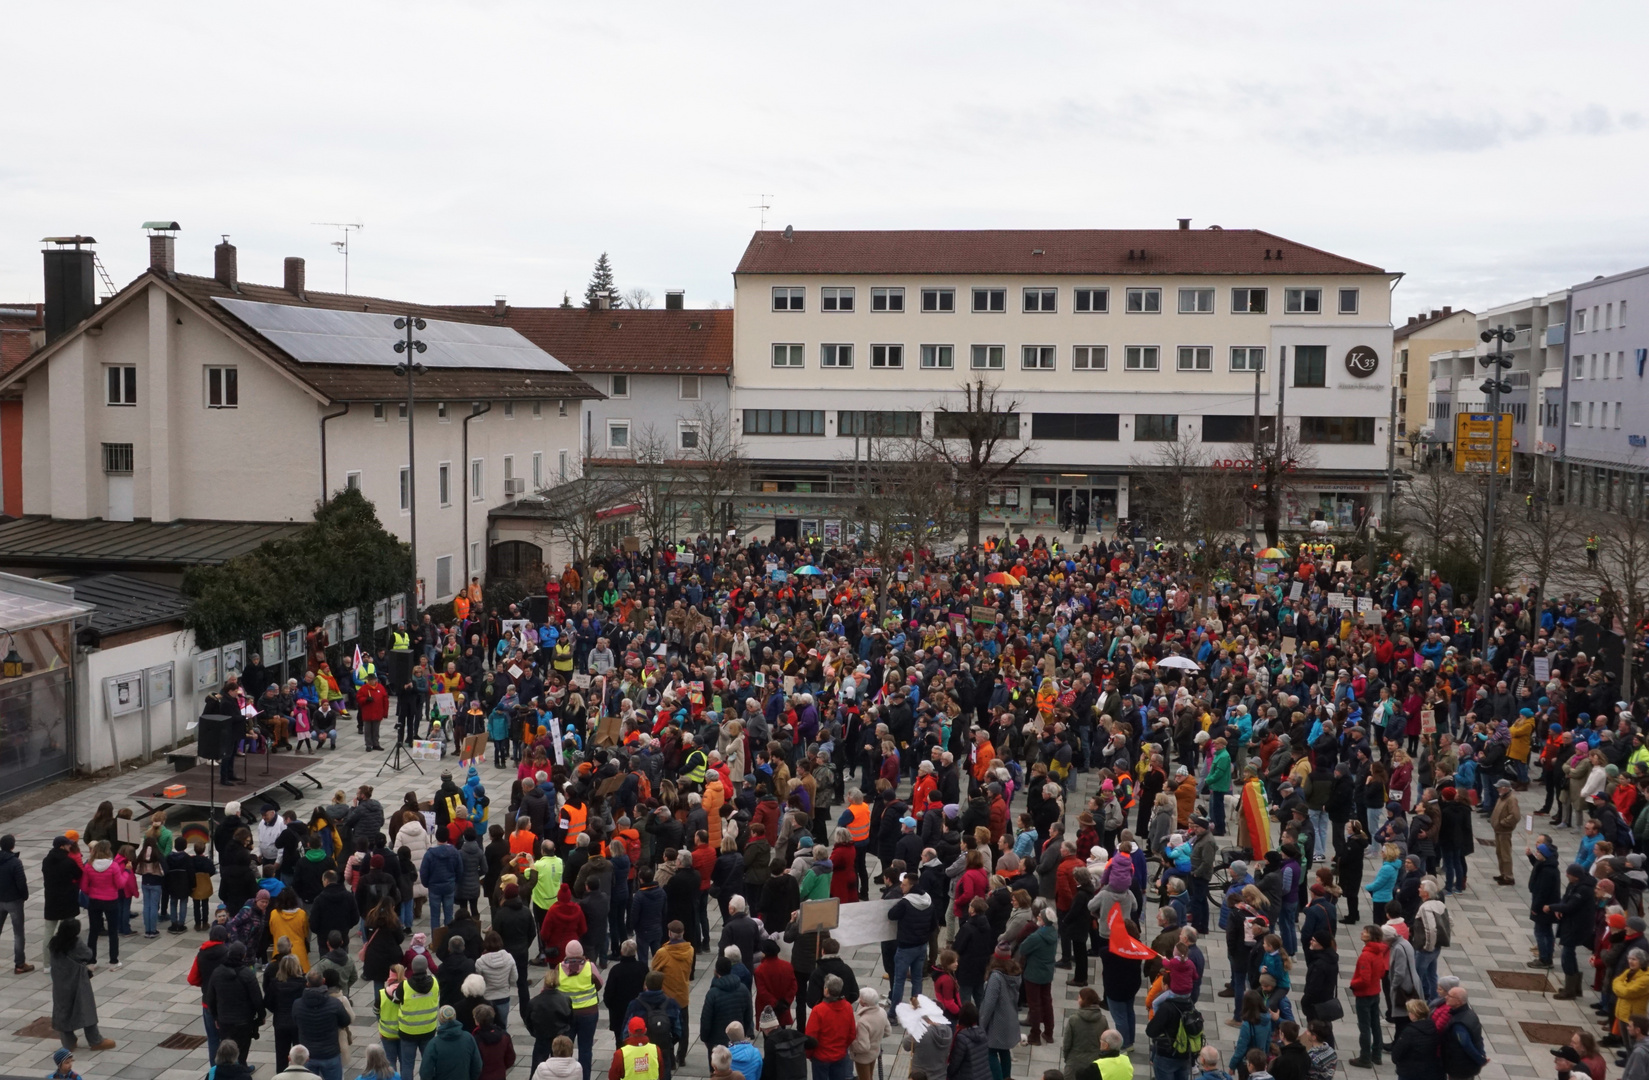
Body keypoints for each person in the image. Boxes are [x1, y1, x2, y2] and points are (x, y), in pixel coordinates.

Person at [47, 919, 114, 1051]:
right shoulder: (75, 943)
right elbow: (88, 954)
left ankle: (68, 1042)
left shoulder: (54, 943)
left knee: (63, 1010)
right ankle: (95, 1040)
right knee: (86, 1009)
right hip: (77, 982)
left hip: (60, 984)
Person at [206, 941, 264, 1064]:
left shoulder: (217, 973)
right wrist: (261, 1016)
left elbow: (210, 998)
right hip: (244, 1022)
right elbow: (257, 998)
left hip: (224, 1021)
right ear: (243, 956)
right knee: (241, 1054)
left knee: (227, 1053)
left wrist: (216, 1017)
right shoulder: (247, 974)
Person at [293, 969, 353, 1080]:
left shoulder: (297, 1004)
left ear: (307, 984)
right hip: (330, 1053)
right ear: (323, 981)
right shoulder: (335, 1003)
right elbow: (346, 1021)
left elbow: (295, 1021)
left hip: (308, 1054)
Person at [700, 956, 754, 1070]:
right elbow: (749, 1015)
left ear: (716, 972)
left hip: (716, 1042)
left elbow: (706, 1019)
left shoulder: (713, 993)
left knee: (717, 1073)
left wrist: (705, 1038)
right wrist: (743, 1032)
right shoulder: (743, 989)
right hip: (737, 1040)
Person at [978, 949, 1022, 1080]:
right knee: (1004, 1051)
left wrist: (981, 1024)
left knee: (990, 1052)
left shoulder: (996, 977)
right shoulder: (1014, 973)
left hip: (996, 1021)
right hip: (1010, 1018)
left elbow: (989, 1004)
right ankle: (1007, 1077)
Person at [803, 974, 855, 1080]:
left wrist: (809, 1054)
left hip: (821, 1057)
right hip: (840, 1055)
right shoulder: (848, 1007)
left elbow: (810, 1036)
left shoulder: (819, 1010)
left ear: (826, 991)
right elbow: (852, 1033)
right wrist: (842, 1047)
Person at [419, 1004, 482, 1080]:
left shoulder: (434, 1044)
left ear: (440, 1020)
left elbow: (425, 1072)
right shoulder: (468, 1038)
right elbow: (477, 1065)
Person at [1060, 987, 1109, 1080]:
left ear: (1084, 1001)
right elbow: (1107, 1042)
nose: (1077, 1000)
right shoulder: (1103, 1020)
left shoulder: (1073, 1019)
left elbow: (1067, 1043)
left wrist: (1068, 1059)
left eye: (1079, 998)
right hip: (1095, 1061)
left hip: (1075, 1061)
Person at [1387, 999, 1442, 1080]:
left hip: (1409, 1072)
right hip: (1428, 1071)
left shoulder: (1409, 1031)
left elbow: (1396, 1054)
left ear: (1415, 1015)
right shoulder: (1432, 1027)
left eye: (1410, 1012)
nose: (1408, 1014)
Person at [0, 834, 31, 973]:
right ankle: (19, 964)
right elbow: (21, 883)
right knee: (18, 934)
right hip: (14, 901)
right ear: (12, 846)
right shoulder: (15, 862)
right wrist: (24, 896)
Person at [849, 989, 889, 1080]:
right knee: (869, 1076)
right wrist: (876, 1037)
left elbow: (863, 1046)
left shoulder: (863, 1021)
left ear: (863, 1003)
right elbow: (887, 1031)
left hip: (863, 1057)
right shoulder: (882, 1012)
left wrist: (851, 1045)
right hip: (875, 1051)